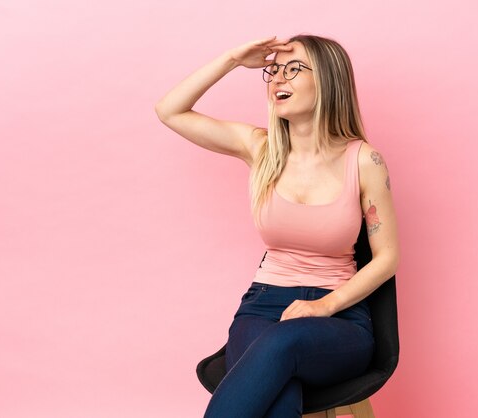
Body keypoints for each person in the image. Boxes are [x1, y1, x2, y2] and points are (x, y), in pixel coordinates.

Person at [155, 34, 400, 418]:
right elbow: (170, 110)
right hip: (263, 306)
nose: (277, 79)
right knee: (279, 393)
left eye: (293, 69)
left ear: (329, 79)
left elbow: (387, 257)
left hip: (339, 316)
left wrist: (324, 306)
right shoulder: (261, 148)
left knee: (278, 346)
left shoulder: (364, 161)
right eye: (273, 71)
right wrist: (233, 59)